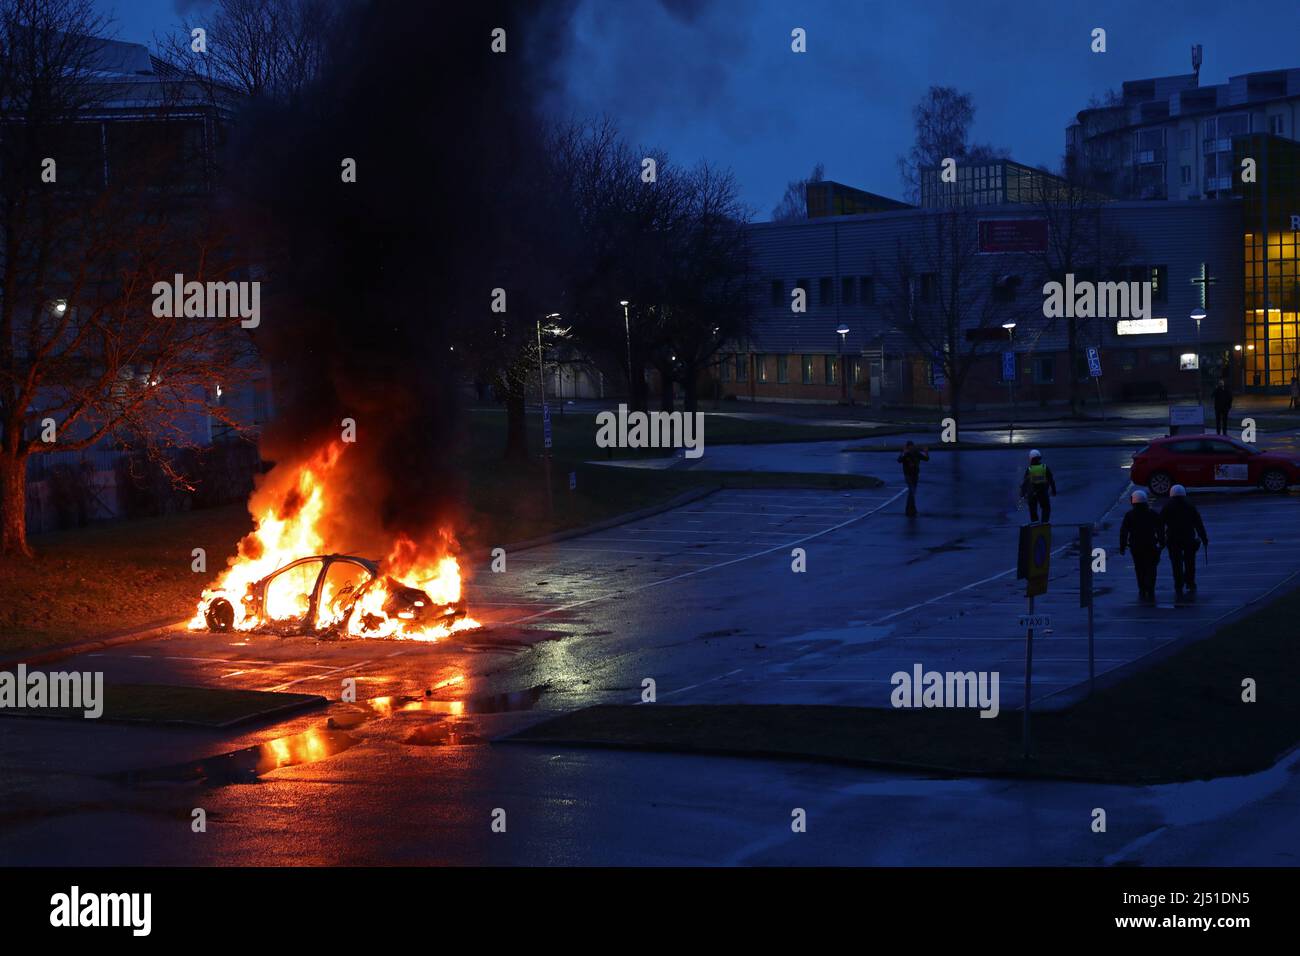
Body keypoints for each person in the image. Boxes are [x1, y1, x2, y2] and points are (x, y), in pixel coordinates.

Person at [1160, 484, 1209, 601]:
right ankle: (1190, 582)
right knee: (1190, 562)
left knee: (1176, 564)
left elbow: (1160, 525)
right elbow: (1198, 523)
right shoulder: (1190, 506)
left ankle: (1178, 584)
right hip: (1188, 538)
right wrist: (1204, 538)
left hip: (1173, 539)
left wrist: (1161, 540)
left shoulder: (1167, 507)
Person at [1119, 488, 1165, 603]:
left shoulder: (1129, 515)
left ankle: (1142, 588)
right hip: (1150, 544)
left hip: (1135, 546)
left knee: (1139, 568)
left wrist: (1122, 546)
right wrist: (1162, 542)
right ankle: (1151, 588)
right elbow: (1160, 529)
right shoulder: (1152, 514)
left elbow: (1124, 531)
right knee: (1151, 567)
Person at [1019, 449, 1057, 523]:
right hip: (1043, 492)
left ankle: (1035, 525)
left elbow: (1025, 483)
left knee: (1033, 511)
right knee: (1046, 508)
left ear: (1030, 458)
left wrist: (1022, 493)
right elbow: (1051, 480)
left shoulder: (1029, 469)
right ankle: (1044, 524)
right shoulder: (1044, 467)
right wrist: (1054, 490)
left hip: (1032, 494)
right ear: (1039, 458)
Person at [897, 440, 929, 517]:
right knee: (911, 491)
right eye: (909, 447)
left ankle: (912, 509)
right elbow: (899, 460)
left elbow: (926, 459)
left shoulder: (916, 453)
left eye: (912, 447)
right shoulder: (906, 455)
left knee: (912, 492)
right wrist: (903, 453)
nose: (911, 448)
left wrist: (926, 452)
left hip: (915, 475)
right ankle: (909, 510)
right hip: (908, 475)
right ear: (907, 447)